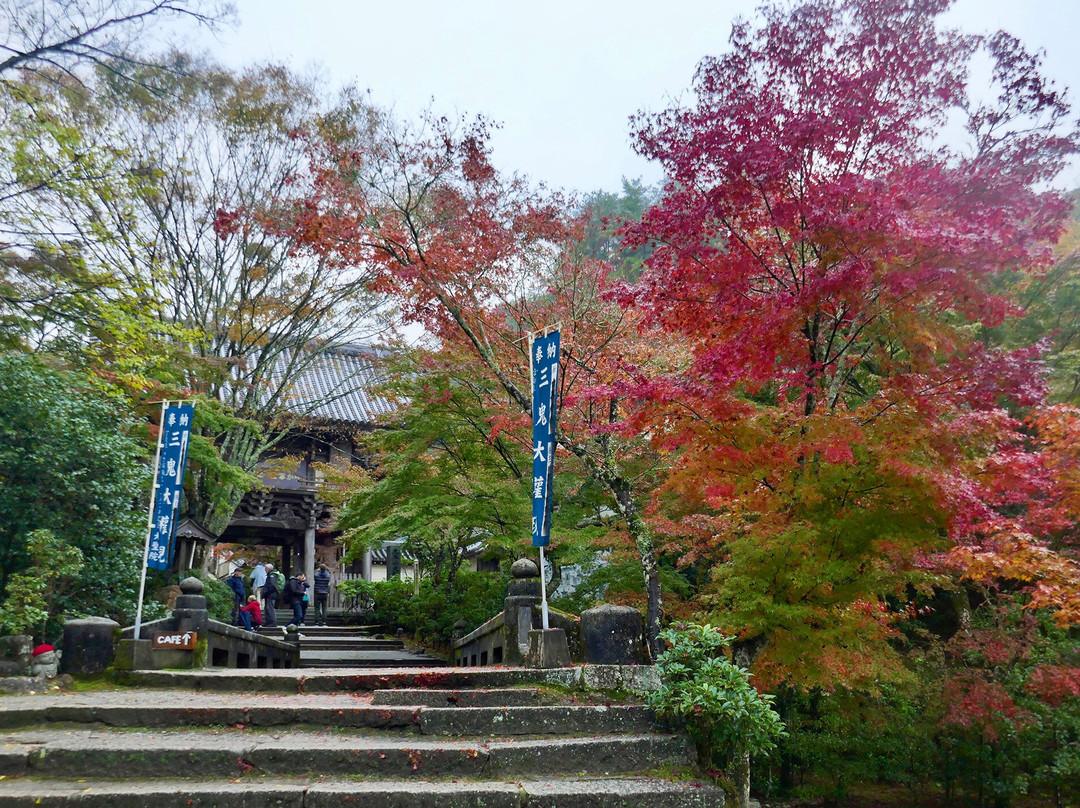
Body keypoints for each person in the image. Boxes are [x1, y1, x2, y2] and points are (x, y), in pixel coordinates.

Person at [262, 563, 280, 627]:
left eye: (266, 568)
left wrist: (266, 592)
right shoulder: (272, 575)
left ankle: (273, 622)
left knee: (270, 608)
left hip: (270, 595)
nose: (265, 570)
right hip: (270, 594)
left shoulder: (272, 575)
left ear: (269, 568)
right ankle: (268, 622)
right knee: (267, 608)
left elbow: (272, 585)